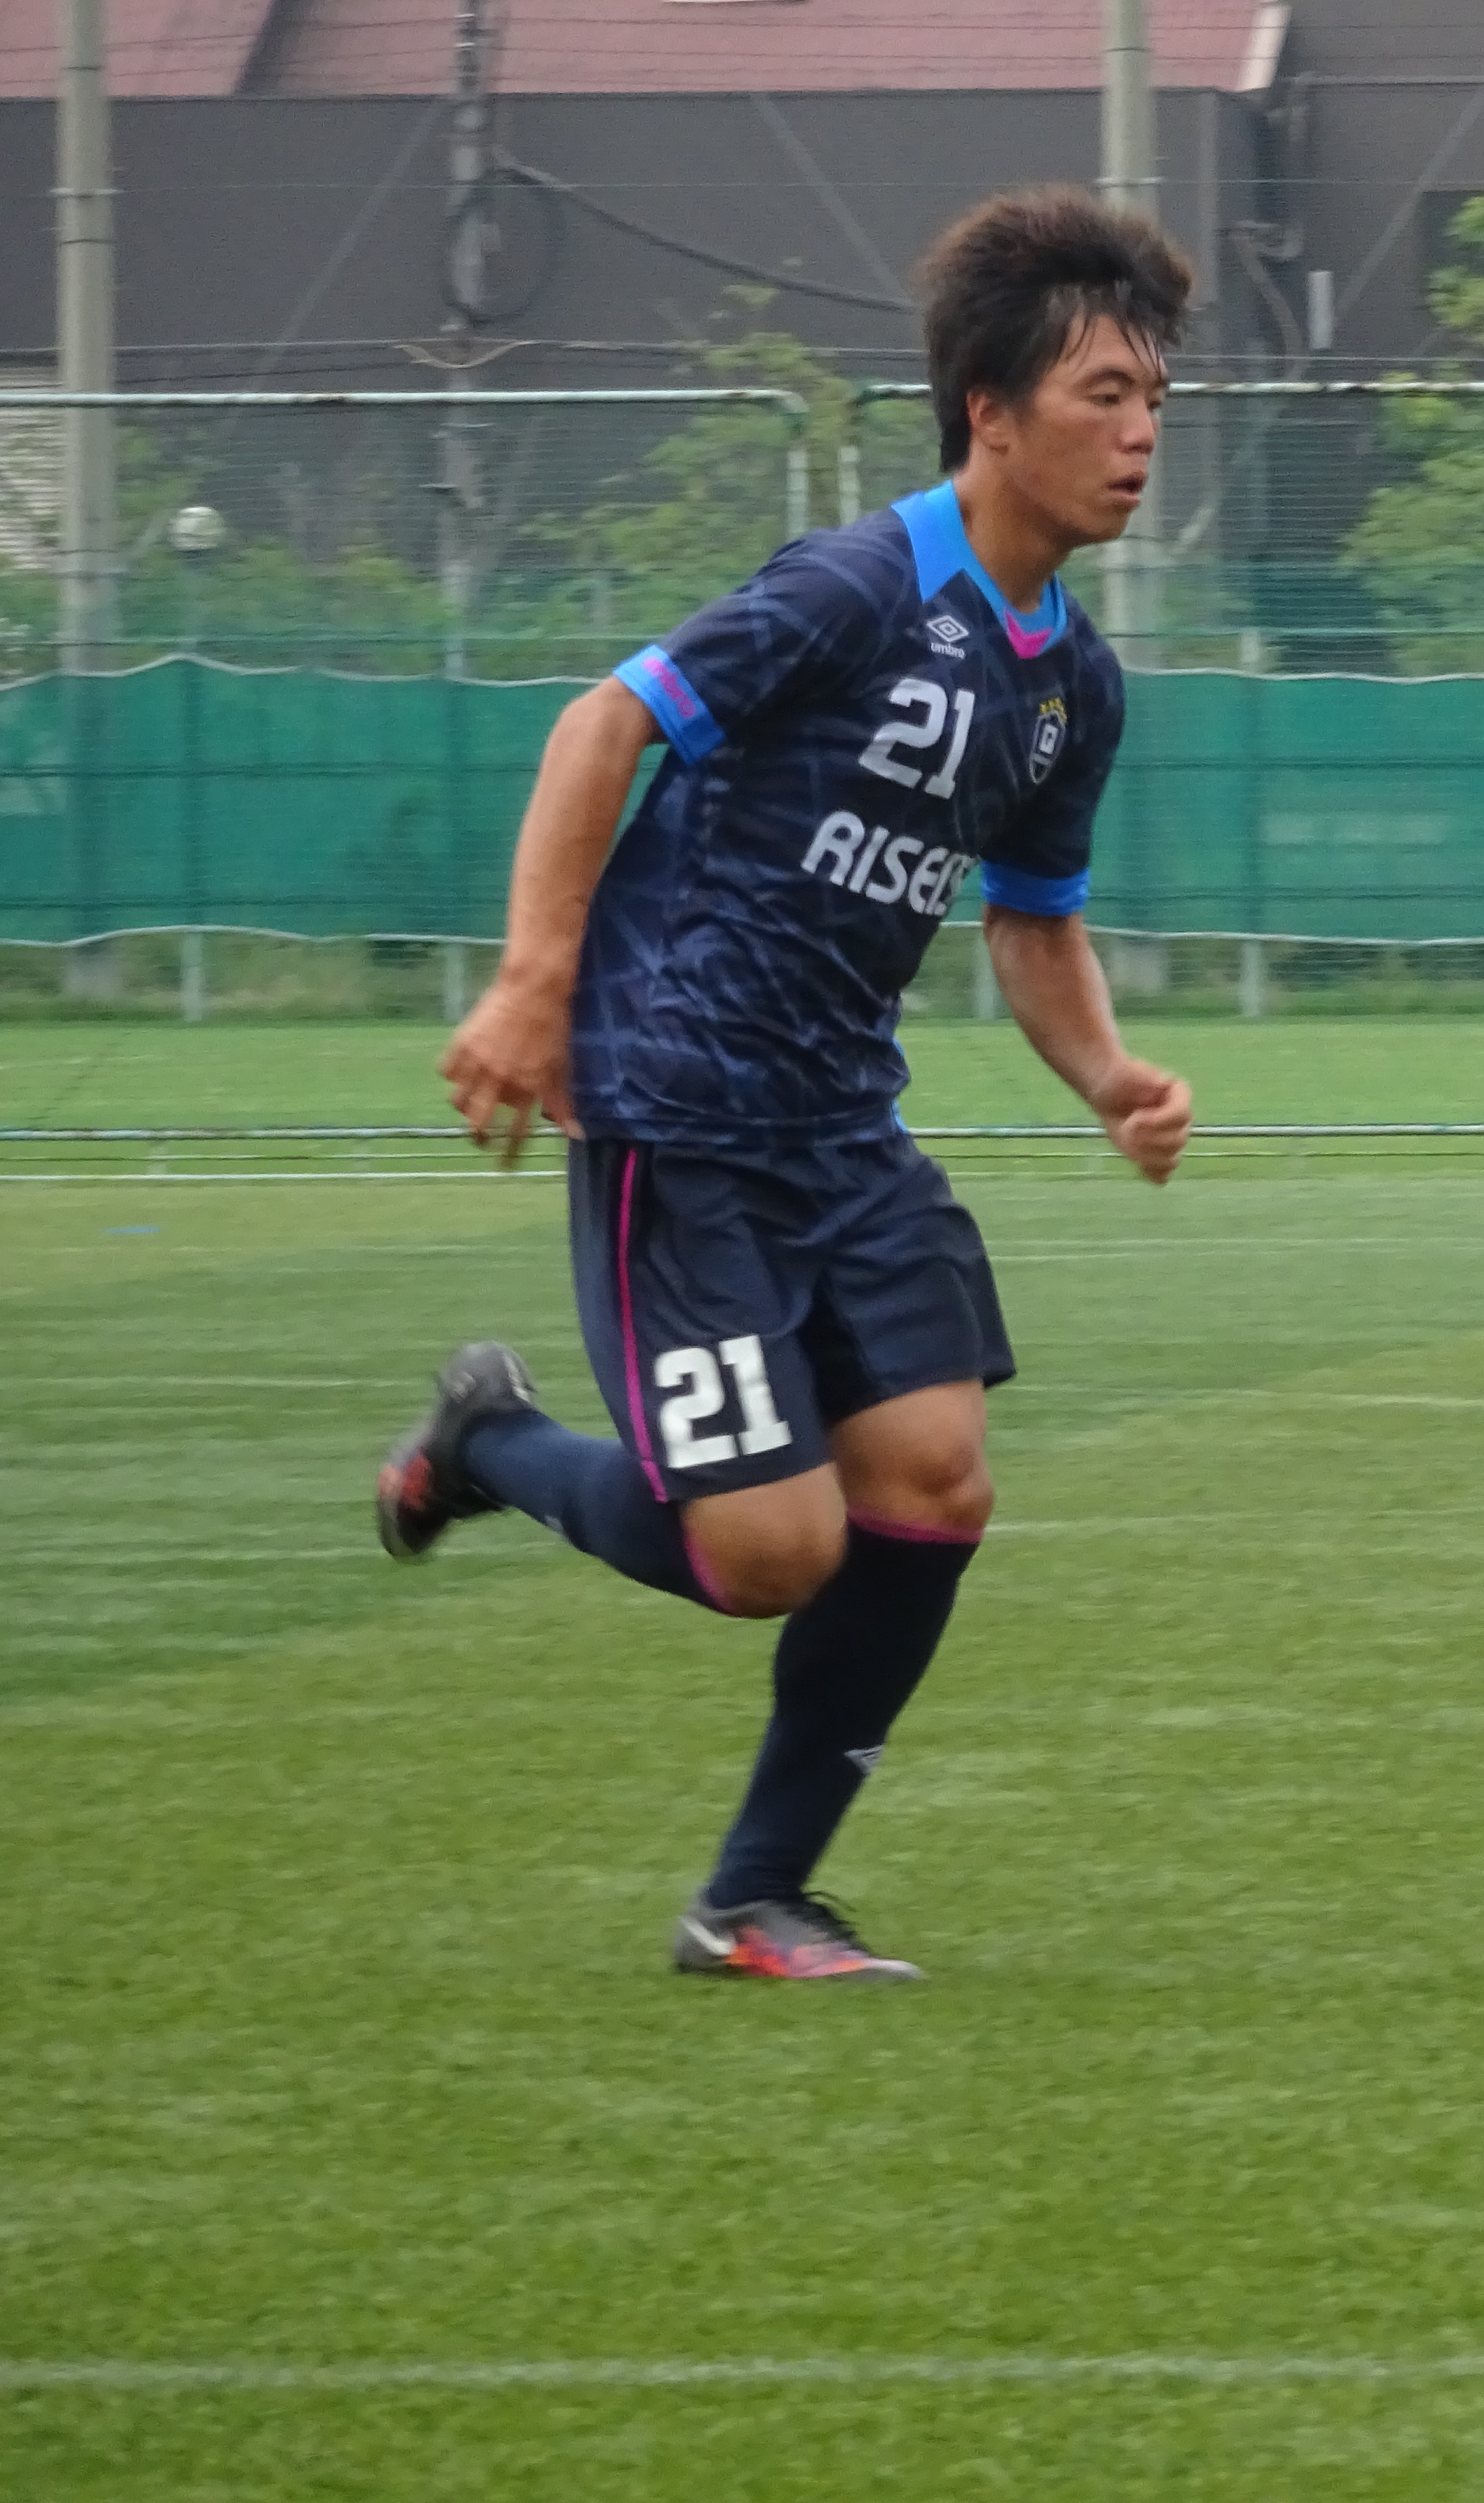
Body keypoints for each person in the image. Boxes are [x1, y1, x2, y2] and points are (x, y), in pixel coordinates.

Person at [372, 187, 1199, 1978]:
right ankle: (488, 1445)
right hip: (680, 1109)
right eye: (1105, 396)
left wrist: (1109, 1076)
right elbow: (603, 723)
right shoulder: (855, 585)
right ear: (990, 411)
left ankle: (755, 1897)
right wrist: (533, 985)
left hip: (843, 1125)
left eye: (1155, 399)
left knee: (937, 1479)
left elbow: (1032, 921)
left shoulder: (1077, 686)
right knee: (768, 1554)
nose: (1141, 435)